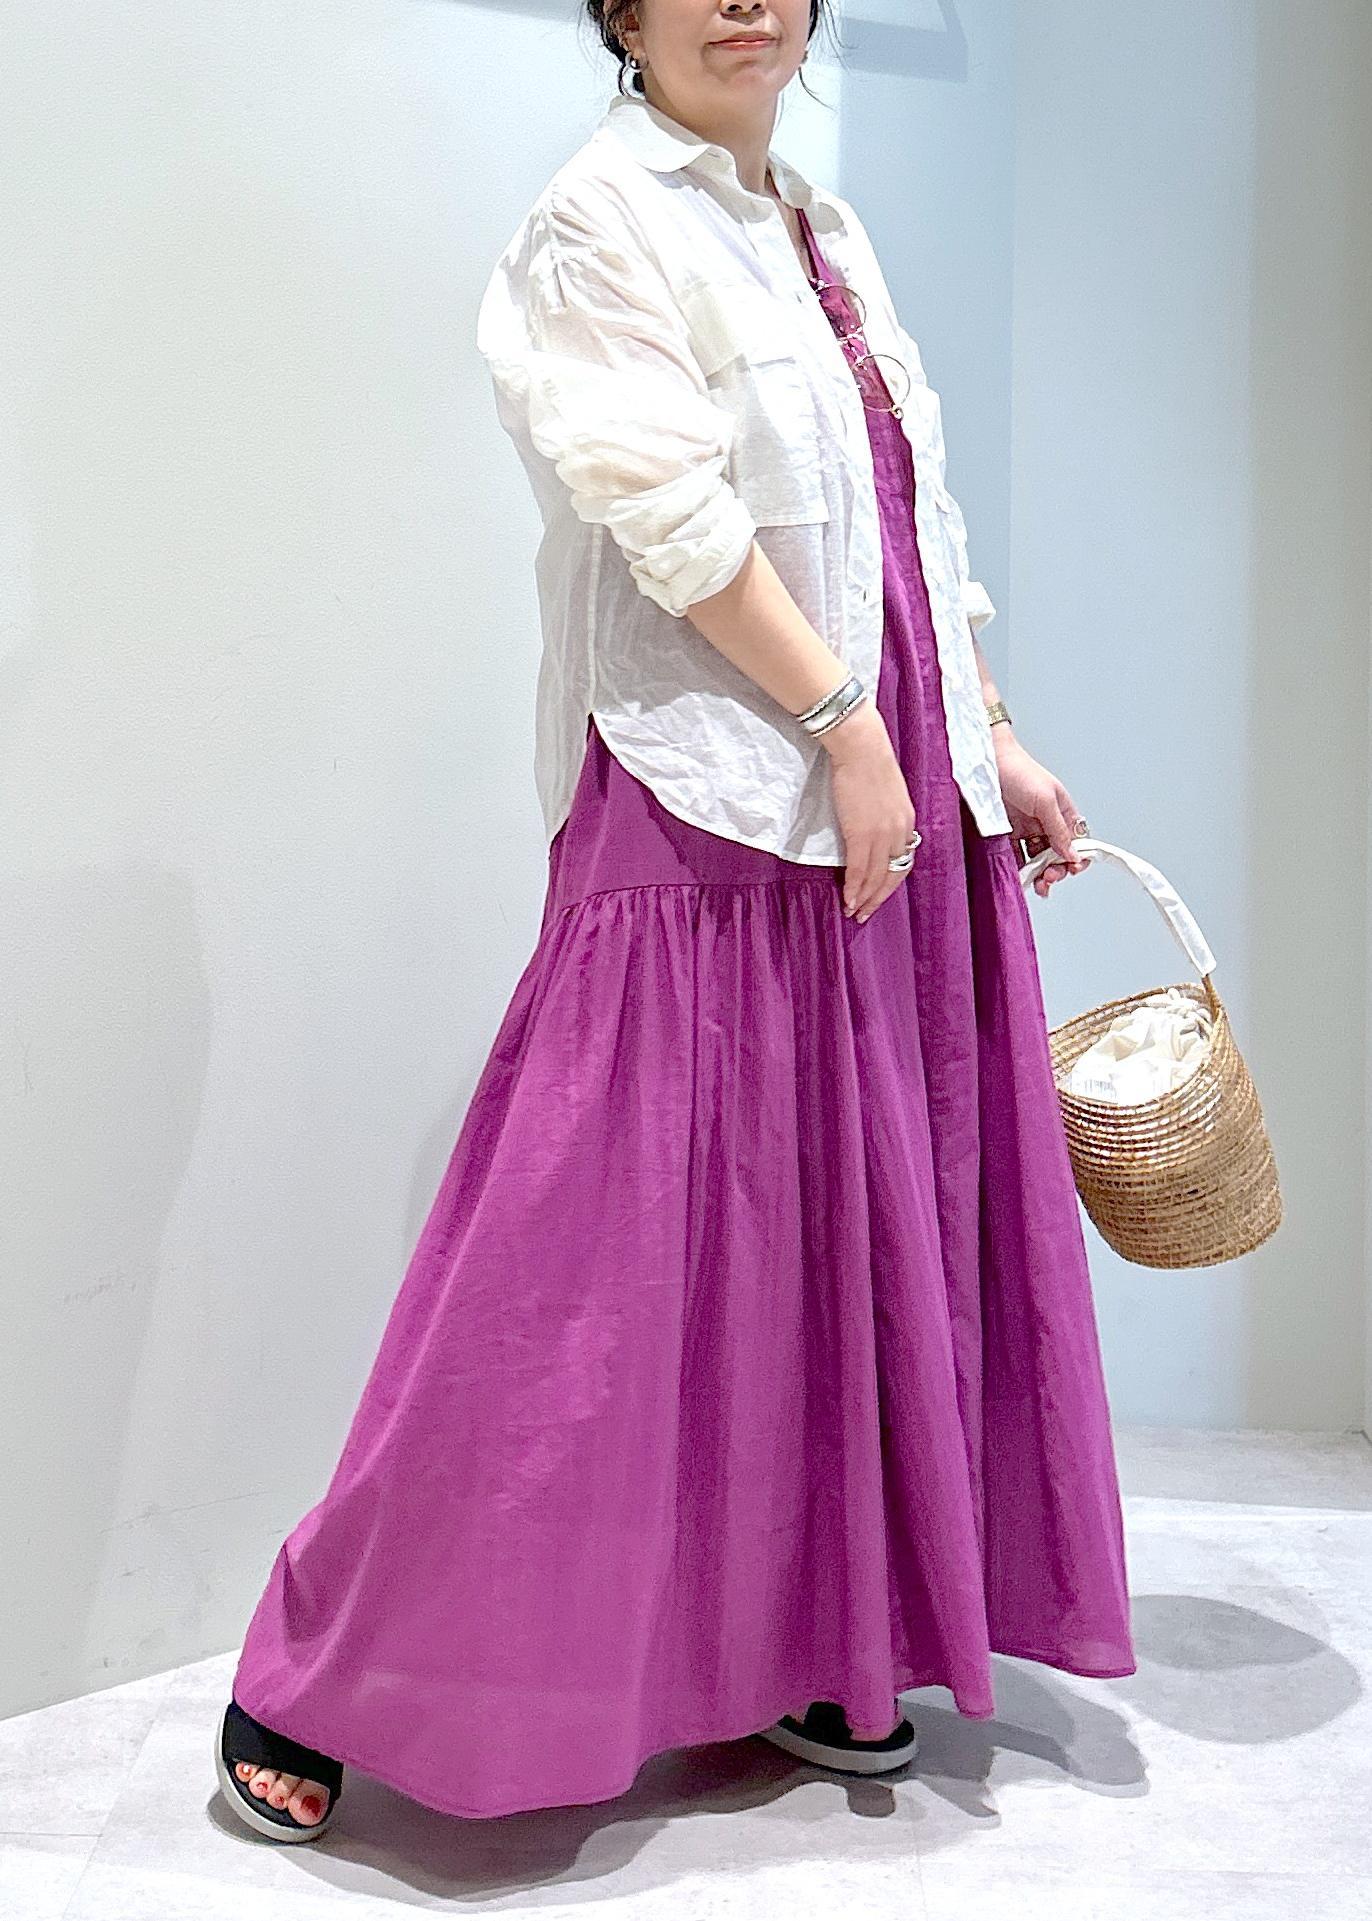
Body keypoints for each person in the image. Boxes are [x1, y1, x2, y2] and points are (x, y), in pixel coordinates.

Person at [214, 0, 1136, 1841]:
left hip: (890, 785)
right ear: (621, 16)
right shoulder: (599, 216)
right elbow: (665, 509)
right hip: (716, 781)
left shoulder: (818, 221)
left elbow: (904, 520)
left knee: (830, 1239)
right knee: (577, 1260)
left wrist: (991, 734)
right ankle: (324, 1667)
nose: (748, 4)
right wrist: (850, 729)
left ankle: (810, 1648)